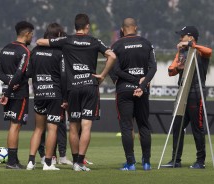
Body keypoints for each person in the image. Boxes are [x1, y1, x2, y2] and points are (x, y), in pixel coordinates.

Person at [37, 13, 116, 171]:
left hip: (72, 88)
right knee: (86, 126)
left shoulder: (67, 40)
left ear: (75, 27)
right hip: (89, 86)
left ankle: (74, 163)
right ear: (87, 26)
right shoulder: (94, 41)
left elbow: (40, 41)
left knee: (73, 125)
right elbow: (112, 56)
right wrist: (102, 75)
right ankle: (80, 161)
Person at [161, 26, 212, 169]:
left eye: (182, 35)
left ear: (190, 37)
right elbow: (171, 71)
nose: (179, 38)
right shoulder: (181, 52)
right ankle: (175, 160)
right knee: (177, 127)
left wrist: (191, 46)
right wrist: (178, 67)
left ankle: (200, 161)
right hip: (183, 93)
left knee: (197, 128)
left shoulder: (200, 51)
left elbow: (209, 51)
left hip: (197, 94)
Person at [110, 18, 157, 171]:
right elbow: (153, 68)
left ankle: (130, 163)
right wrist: (141, 84)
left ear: (122, 29)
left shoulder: (116, 45)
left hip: (124, 90)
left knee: (126, 126)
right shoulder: (146, 43)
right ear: (135, 28)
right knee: (143, 125)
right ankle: (147, 163)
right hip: (142, 90)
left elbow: (115, 71)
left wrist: (132, 81)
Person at [26, 23, 67, 171]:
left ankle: (31, 161)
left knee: (38, 129)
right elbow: (63, 76)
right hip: (54, 94)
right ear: (58, 36)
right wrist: (65, 97)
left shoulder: (35, 51)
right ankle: (48, 163)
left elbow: (28, 73)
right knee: (52, 129)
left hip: (39, 94)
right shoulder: (59, 52)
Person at [0, 21, 34, 169]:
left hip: (9, 90)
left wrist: (9, 84)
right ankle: (12, 162)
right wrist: (13, 85)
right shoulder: (24, 51)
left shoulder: (6, 48)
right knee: (15, 126)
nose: (32, 37)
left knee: (12, 125)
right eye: (31, 34)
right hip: (18, 93)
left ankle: (14, 160)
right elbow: (20, 71)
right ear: (26, 34)